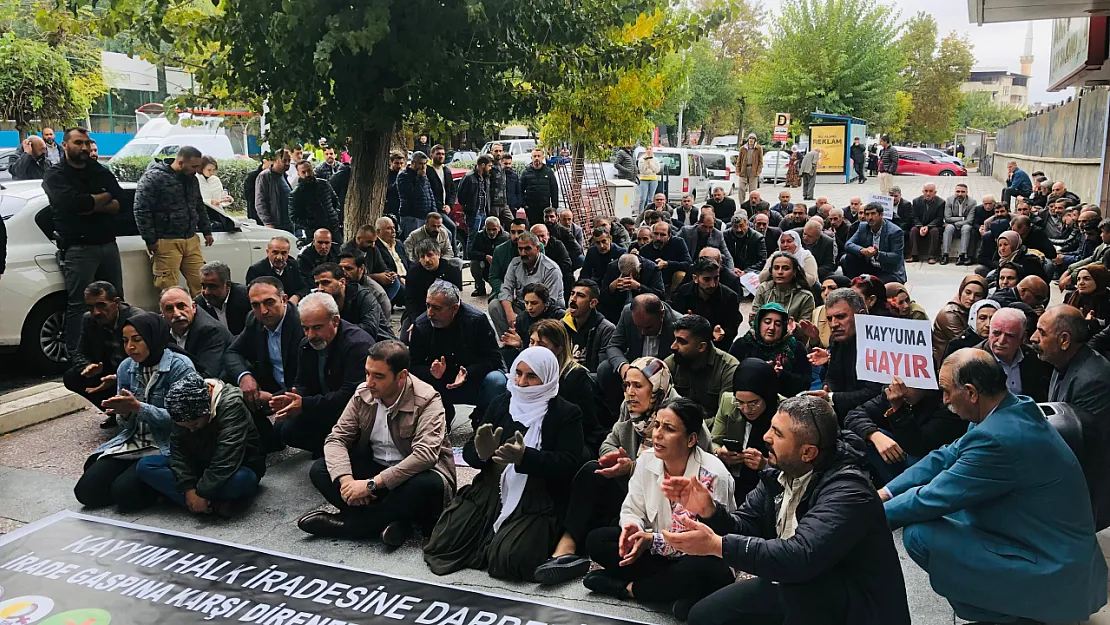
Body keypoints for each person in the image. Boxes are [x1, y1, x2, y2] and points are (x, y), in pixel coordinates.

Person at [882, 349, 1106, 624]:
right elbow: (944, 456)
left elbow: (931, 497)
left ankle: (1013, 615)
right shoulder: (1009, 408)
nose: (944, 400)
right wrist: (885, 492)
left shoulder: (997, 438)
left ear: (971, 392)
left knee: (920, 534)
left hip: (1054, 570)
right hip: (1056, 552)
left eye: (946, 391)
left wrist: (863, 515)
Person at [670, 395, 911, 625]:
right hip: (801, 584)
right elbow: (746, 525)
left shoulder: (848, 491)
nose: (765, 437)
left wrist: (717, 545)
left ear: (808, 452)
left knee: (797, 597)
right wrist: (711, 511)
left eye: (777, 433)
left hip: (855, 606)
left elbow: (799, 556)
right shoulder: (779, 474)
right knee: (704, 616)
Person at [532, 357, 710, 585]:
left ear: (657, 388)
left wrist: (633, 466)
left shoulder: (685, 416)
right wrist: (619, 458)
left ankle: (634, 584)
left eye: (638, 386)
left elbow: (699, 471)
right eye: (626, 385)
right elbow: (610, 441)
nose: (630, 393)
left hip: (671, 512)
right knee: (592, 471)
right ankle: (566, 548)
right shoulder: (629, 409)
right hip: (635, 499)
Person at [424, 347, 585, 581]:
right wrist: (481, 452)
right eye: (518, 373)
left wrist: (525, 458)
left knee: (510, 560)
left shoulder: (565, 413)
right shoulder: (502, 403)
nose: (521, 382)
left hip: (535, 498)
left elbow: (568, 464)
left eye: (531, 376)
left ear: (548, 377)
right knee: (443, 543)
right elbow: (473, 449)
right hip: (490, 490)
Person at [582, 396, 736, 614]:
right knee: (598, 540)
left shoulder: (713, 473)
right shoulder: (646, 460)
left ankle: (629, 589)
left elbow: (706, 540)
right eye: (656, 425)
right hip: (659, 556)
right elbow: (632, 509)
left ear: (691, 439)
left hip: (698, 557)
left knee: (702, 569)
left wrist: (651, 541)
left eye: (669, 429)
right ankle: (675, 594)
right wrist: (632, 529)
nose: (657, 434)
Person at [298, 340, 456, 545]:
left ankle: (352, 527)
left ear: (401, 377)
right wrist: (348, 482)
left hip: (410, 476)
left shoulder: (427, 399)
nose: (370, 382)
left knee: (428, 484)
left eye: (378, 376)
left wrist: (372, 485)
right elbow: (336, 438)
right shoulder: (363, 393)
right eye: (367, 373)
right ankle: (391, 522)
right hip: (376, 470)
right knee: (320, 469)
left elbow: (425, 456)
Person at [73, 312, 197, 510]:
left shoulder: (179, 366)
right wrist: (124, 412)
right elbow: (126, 426)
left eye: (137, 340)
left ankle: (158, 486)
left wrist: (139, 408)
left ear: (152, 337)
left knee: (125, 495)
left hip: (166, 445)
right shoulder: (126, 367)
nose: (130, 347)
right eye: (125, 341)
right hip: (134, 441)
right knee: (86, 492)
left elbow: (185, 421)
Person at [43, 127, 126, 354]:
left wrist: (91, 203)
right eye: (78, 143)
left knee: (115, 299)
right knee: (80, 305)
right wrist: (100, 200)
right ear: (65, 145)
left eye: (86, 143)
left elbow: (119, 199)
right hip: (78, 247)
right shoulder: (56, 175)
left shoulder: (98, 169)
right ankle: (78, 357)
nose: (84, 147)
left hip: (108, 244)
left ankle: (120, 349)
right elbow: (73, 205)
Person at [136, 372, 265, 516]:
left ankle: (195, 502)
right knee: (146, 465)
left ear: (207, 409)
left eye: (195, 424)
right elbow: (178, 452)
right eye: (185, 427)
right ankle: (211, 505)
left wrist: (202, 492)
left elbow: (227, 457)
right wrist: (189, 488)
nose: (190, 430)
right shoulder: (179, 406)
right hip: (200, 463)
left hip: (236, 465)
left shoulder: (231, 405)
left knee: (243, 479)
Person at [270, 292, 374, 457]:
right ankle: (326, 446)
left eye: (317, 328)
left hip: (351, 413)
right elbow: (302, 381)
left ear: (335, 321)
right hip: (324, 405)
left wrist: (305, 404)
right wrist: (294, 398)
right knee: (283, 427)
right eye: (305, 328)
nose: (310, 335)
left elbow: (349, 396)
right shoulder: (306, 344)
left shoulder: (357, 345)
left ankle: (343, 450)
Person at [407, 280, 507, 427]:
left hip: (473, 380)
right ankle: (440, 414)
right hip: (439, 383)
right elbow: (413, 365)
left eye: (437, 308)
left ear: (454, 308)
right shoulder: (421, 325)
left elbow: (494, 359)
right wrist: (431, 373)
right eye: (428, 305)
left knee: (496, 380)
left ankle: (484, 419)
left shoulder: (476, 320)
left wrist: (468, 372)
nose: (430, 313)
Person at [222, 277, 303, 452]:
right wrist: (245, 378)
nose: (263, 311)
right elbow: (232, 352)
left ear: (284, 299)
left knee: (287, 431)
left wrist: (275, 398)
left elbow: (309, 378)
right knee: (229, 379)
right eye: (256, 305)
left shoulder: (302, 324)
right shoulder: (253, 319)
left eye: (269, 302)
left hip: (300, 390)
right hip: (271, 382)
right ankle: (265, 440)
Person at [845, 376, 967, 486]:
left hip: (930, 470)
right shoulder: (893, 393)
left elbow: (917, 447)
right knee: (855, 438)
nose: (900, 389)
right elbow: (853, 415)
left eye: (908, 382)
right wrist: (874, 435)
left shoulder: (946, 405)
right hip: (899, 459)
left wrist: (898, 410)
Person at [63, 281, 144, 429]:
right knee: (72, 376)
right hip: (107, 370)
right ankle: (114, 413)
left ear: (116, 303)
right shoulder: (89, 319)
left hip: (136, 373)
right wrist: (87, 367)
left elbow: (148, 359)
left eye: (101, 305)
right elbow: (79, 352)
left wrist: (119, 377)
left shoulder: (136, 319)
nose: (96, 312)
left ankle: (136, 414)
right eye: (90, 307)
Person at [806, 288, 883, 423]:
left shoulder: (878, 344)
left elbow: (874, 392)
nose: (834, 324)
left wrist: (831, 397)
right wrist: (828, 387)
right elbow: (833, 376)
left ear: (862, 315)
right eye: (829, 318)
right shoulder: (836, 340)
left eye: (841, 317)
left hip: (873, 418)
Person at [711, 359, 778, 505]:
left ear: (767, 396)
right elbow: (713, 441)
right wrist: (720, 453)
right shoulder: (728, 403)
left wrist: (766, 465)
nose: (746, 410)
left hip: (769, 490)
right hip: (732, 482)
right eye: (740, 403)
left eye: (754, 403)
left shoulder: (785, 413)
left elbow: (794, 466)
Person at [599, 294, 681, 405]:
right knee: (605, 369)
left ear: (661, 314)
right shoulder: (628, 313)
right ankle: (618, 411)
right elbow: (614, 345)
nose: (643, 332)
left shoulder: (678, 324)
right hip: (634, 368)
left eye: (648, 327)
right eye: (638, 327)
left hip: (663, 375)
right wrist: (623, 367)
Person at [664, 315, 739, 418]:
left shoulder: (728, 369)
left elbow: (725, 419)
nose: (673, 346)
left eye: (682, 341)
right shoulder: (671, 363)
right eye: (675, 339)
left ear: (701, 346)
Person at [730, 303, 811, 397]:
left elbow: (805, 384)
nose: (772, 328)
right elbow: (731, 378)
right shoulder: (743, 344)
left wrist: (781, 375)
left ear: (783, 327)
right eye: (767, 322)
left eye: (778, 324)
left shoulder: (796, 348)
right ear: (758, 323)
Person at [491, 231, 564, 335]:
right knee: (494, 305)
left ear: (538, 248)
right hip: (524, 305)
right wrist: (510, 314)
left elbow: (549, 301)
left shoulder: (551, 269)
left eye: (527, 249)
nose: (523, 253)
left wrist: (523, 318)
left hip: (546, 311)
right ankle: (510, 340)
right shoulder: (515, 263)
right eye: (520, 249)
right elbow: (506, 289)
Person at [976, 307, 1051, 402]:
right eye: (996, 333)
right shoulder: (974, 360)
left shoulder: (1035, 357)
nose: (1001, 341)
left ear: (1023, 338)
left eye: (1009, 336)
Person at [160, 286, 233, 379]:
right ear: (163, 315)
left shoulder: (210, 331)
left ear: (193, 307)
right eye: (169, 309)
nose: (177, 314)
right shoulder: (160, 328)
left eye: (181, 306)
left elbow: (208, 374)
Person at [670, 257, 741, 349]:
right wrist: (682, 320)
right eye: (707, 279)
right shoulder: (683, 293)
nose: (713, 284)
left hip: (716, 347)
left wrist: (723, 333)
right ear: (695, 278)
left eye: (716, 278)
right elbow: (673, 323)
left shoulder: (730, 297)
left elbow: (732, 326)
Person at [312, 263, 390, 341]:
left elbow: (369, 330)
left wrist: (332, 329)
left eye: (326, 283)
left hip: (380, 345)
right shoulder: (320, 300)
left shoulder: (364, 297)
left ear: (342, 282)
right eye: (317, 284)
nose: (320, 288)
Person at [842, 201, 907, 283]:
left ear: (881, 215)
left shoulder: (895, 231)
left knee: (875, 286)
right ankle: (853, 284)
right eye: (867, 214)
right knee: (846, 258)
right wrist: (863, 250)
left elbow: (897, 257)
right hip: (869, 266)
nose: (870, 217)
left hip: (888, 270)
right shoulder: (863, 226)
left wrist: (877, 254)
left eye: (873, 214)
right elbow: (848, 244)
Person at [752, 252, 815, 332]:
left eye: (785, 268)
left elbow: (804, 329)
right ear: (771, 271)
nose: (780, 272)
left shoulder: (805, 297)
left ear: (794, 272)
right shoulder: (763, 289)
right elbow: (753, 320)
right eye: (776, 268)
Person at [501, 282, 565, 361]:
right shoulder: (522, 318)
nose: (529, 307)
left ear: (545, 302)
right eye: (526, 303)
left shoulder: (558, 316)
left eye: (534, 303)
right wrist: (519, 344)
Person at [404, 238, 464, 322]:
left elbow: (455, 300)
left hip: (445, 312)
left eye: (430, 255)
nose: (427, 260)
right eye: (422, 256)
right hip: (420, 312)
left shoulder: (452, 271)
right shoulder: (413, 273)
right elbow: (410, 300)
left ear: (438, 254)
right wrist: (415, 321)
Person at [931, 275, 987, 362]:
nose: (971, 298)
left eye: (978, 295)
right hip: (946, 363)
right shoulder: (949, 314)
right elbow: (965, 344)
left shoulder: (977, 310)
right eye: (968, 293)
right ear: (961, 292)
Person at [563, 279, 615, 373]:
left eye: (580, 295)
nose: (573, 299)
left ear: (593, 303)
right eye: (572, 294)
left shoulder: (606, 330)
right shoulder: (562, 325)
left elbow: (601, 370)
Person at [598, 253, 665, 323]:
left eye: (634, 275)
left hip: (644, 311)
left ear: (640, 267)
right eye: (625, 276)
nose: (629, 279)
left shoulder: (652, 269)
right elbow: (601, 296)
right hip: (617, 312)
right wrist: (611, 287)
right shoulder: (612, 267)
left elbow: (661, 296)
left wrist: (639, 287)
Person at [195, 261, 250, 336]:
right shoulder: (198, 306)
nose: (206, 292)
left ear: (227, 285)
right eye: (203, 286)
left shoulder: (247, 299)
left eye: (212, 286)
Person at [245, 236, 306, 305]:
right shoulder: (256, 270)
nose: (279, 257)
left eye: (283, 253)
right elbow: (252, 297)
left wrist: (296, 296)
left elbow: (304, 288)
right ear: (267, 252)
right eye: (275, 252)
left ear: (288, 253)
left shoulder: (293, 265)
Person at [290, 160, 342, 238]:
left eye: (309, 171)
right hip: (314, 233)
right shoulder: (296, 193)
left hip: (333, 228)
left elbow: (335, 200)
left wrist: (335, 215)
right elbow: (294, 217)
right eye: (303, 172)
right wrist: (313, 224)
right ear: (298, 174)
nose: (307, 174)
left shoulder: (324, 184)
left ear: (312, 170)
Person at [638, 220, 693, 293]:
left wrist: (667, 264)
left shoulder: (678, 243)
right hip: (653, 284)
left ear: (669, 236)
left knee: (680, 274)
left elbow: (688, 264)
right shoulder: (645, 250)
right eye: (656, 234)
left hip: (672, 282)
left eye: (662, 235)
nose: (658, 238)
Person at [801, 276, 851, 349]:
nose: (826, 293)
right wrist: (814, 339)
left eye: (832, 288)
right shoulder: (817, 312)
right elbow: (810, 351)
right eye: (823, 289)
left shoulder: (853, 311)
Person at [397, 151, 437, 239]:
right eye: (420, 164)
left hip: (425, 216)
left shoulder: (423, 176)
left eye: (425, 164)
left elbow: (430, 194)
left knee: (446, 234)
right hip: (412, 216)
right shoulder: (404, 176)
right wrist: (421, 178)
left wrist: (434, 213)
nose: (423, 167)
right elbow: (413, 194)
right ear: (413, 163)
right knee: (414, 243)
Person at [467, 215, 508, 298]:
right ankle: (480, 287)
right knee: (474, 263)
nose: (491, 232)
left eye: (494, 229)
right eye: (488, 229)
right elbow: (470, 253)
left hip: (500, 268)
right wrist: (485, 256)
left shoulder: (506, 237)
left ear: (499, 228)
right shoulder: (480, 236)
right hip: (485, 266)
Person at [255, 149, 295, 232]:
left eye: (289, 160)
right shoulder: (265, 176)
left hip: (289, 223)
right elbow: (260, 202)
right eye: (284, 160)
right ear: (276, 160)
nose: (287, 163)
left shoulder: (284, 176)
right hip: (276, 225)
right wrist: (268, 223)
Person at [426, 146, 458, 241]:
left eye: (443, 154)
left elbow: (452, 191)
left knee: (452, 228)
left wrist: (449, 205)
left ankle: (452, 254)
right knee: (449, 231)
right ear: (432, 155)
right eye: (438, 154)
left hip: (445, 209)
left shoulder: (446, 171)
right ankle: (451, 254)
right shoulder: (427, 171)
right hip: (434, 210)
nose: (441, 156)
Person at [520, 148, 559, 226]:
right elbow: (520, 190)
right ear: (531, 158)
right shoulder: (526, 172)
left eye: (539, 156)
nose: (537, 158)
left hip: (545, 207)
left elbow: (554, 189)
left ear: (542, 157)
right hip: (531, 208)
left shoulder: (549, 172)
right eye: (534, 156)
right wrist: (524, 204)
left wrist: (554, 206)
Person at [1068, 265, 1110, 336]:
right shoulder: (1071, 297)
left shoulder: (1107, 301)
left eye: (1086, 279)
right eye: (1078, 279)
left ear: (1099, 280)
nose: (1081, 283)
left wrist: (1093, 323)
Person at [373, 217, 407, 303]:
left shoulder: (399, 244)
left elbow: (408, 262)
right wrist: (400, 278)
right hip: (395, 280)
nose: (393, 231)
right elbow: (384, 269)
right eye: (388, 228)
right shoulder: (376, 247)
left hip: (407, 278)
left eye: (393, 227)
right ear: (378, 232)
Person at [908, 183, 945, 264]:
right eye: (926, 191)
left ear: (935, 193)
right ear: (922, 191)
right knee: (913, 230)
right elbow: (914, 216)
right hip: (920, 225)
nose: (928, 193)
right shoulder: (916, 201)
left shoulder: (941, 202)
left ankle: (932, 256)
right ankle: (914, 255)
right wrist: (920, 226)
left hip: (933, 225)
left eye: (931, 191)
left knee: (934, 231)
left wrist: (928, 226)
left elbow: (939, 218)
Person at [723, 214, 767, 281]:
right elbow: (722, 255)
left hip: (752, 272)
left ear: (747, 225)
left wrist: (746, 271)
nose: (739, 230)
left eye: (741, 226)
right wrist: (732, 268)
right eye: (735, 227)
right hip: (731, 271)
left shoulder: (757, 238)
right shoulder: (725, 236)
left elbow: (762, 260)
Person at [943, 183, 977, 265]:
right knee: (948, 228)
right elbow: (947, 218)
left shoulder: (972, 202)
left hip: (964, 225)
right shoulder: (949, 200)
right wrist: (962, 218)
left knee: (966, 228)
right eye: (958, 191)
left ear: (966, 192)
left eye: (962, 192)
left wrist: (955, 223)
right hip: (952, 225)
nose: (960, 194)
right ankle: (945, 255)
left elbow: (970, 220)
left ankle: (962, 255)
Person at [637, 147, 662, 213]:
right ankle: (641, 213)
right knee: (643, 198)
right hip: (644, 179)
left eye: (650, 149)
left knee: (651, 198)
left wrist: (650, 164)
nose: (649, 150)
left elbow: (657, 170)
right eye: (647, 149)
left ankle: (649, 212)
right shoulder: (641, 159)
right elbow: (642, 170)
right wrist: (645, 163)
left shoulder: (655, 159)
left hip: (653, 179)